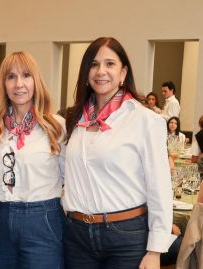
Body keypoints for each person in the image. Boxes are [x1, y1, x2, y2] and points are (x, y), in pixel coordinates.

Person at [63, 37, 172, 269]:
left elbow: (160, 186)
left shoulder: (145, 120)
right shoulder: (76, 118)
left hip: (126, 235)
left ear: (123, 73)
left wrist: (155, 251)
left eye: (110, 64)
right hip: (77, 235)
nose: (101, 71)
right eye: (94, 64)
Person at [0, 51, 65, 269]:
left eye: (26, 75)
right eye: (11, 77)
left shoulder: (56, 126)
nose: (19, 84)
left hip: (43, 219)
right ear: (3, 83)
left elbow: (72, 179)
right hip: (4, 217)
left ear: (36, 81)